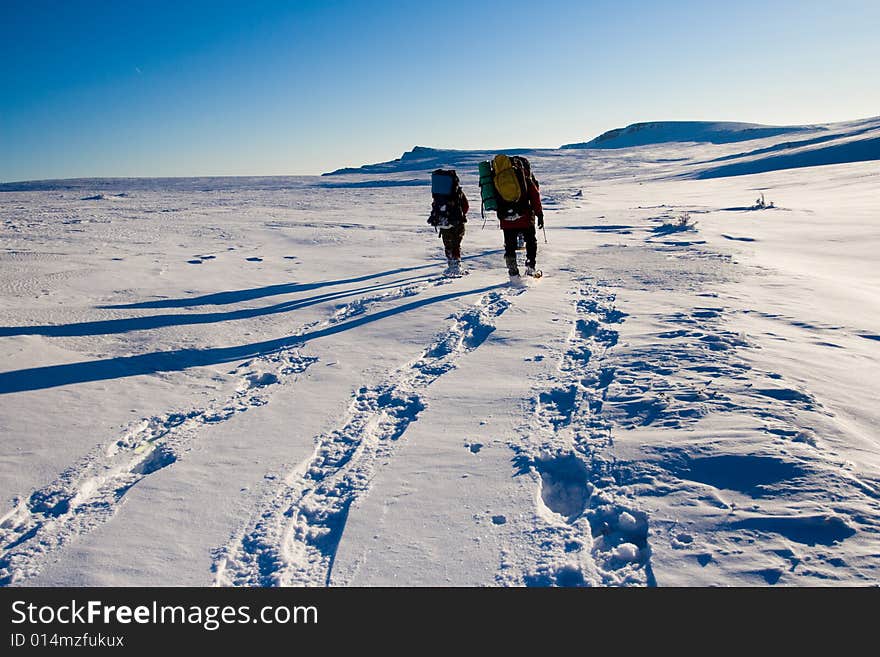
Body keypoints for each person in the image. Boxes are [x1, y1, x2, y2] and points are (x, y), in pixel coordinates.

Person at [493, 155, 543, 277]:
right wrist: (539, 214)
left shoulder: (497, 177)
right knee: (531, 241)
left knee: (509, 246)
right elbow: (535, 196)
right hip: (525, 217)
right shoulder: (525, 178)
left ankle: (513, 271)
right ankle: (531, 267)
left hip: (506, 219)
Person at [427, 169, 469, 276]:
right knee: (456, 243)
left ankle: (451, 265)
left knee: (447, 244)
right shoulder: (457, 192)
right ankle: (456, 266)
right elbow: (465, 206)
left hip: (443, 220)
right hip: (457, 221)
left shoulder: (439, 193)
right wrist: (461, 215)